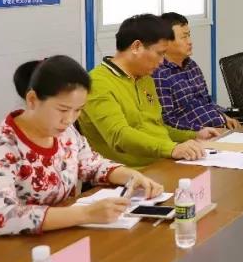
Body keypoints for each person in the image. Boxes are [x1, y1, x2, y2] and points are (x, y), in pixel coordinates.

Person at [0, 56, 164, 247]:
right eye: (62, 110)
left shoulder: (65, 133)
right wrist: (85, 214)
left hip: (51, 239)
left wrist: (132, 176)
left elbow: (92, 165)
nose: (69, 119)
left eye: (78, 110)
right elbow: (4, 216)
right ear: (32, 100)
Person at [79, 14, 222, 168]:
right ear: (136, 47)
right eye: (159, 53)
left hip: (164, 162)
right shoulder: (98, 83)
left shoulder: (145, 78)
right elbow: (119, 136)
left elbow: (157, 128)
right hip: (133, 173)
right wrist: (171, 149)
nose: (162, 61)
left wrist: (194, 135)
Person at [153, 12, 240, 131]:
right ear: (165, 42)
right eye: (184, 37)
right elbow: (168, 121)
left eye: (189, 35)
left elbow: (207, 101)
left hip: (220, 128)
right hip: (198, 136)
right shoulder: (160, 75)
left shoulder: (192, 66)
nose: (190, 41)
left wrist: (224, 117)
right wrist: (202, 131)